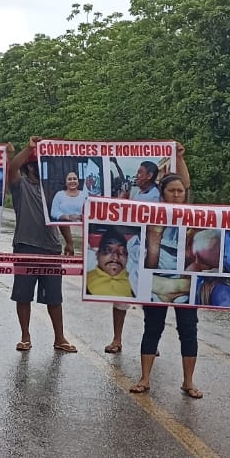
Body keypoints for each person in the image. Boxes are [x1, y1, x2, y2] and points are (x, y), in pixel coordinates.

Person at [104, 146, 188, 354]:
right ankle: (117, 339)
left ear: (150, 176)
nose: (137, 176)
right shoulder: (132, 191)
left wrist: (178, 157)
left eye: (140, 173)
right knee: (122, 294)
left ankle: (151, 343)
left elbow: (184, 184)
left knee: (151, 301)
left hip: (153, 249)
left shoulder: (158, 194)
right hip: (134, 246)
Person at [129, 166, 203, 399]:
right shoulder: (151, 217)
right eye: (172, 191)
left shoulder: (196, 218)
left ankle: (188, 382)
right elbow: (148, 262)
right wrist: (154, 240)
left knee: (188, 331)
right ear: (162, 193)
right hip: (156, 283)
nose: (177, 195)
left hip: (186, 284)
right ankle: (145, 378)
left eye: (180, 191)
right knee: (152, 328)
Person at [8, 137, 77, 353]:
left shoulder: (53, 190)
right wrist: (28, 148)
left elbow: (60, 217)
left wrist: (69, 241)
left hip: (51, 248)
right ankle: (25, 336)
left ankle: (59, 337)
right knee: (23, 295)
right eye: (37, 165)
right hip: (25, 246)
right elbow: (11, 168)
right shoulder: (20, 186)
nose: (41, 168)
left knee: (54, 298)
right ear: (29, 167)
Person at [85, 226, 134, 298]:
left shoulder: (136, 282)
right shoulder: (86, 280)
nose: (115, 257)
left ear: (127, 257)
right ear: (97, 255)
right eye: (108, 250)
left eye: (122, 251)